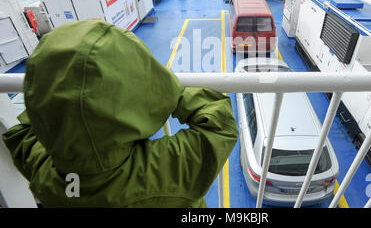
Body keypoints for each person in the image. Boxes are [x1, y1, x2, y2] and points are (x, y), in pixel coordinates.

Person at [2, 20, 239, 208]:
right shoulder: (168, 170)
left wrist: (53, 99)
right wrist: (169, 90)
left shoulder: (46, 176)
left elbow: (22, 134)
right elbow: (219, 124)